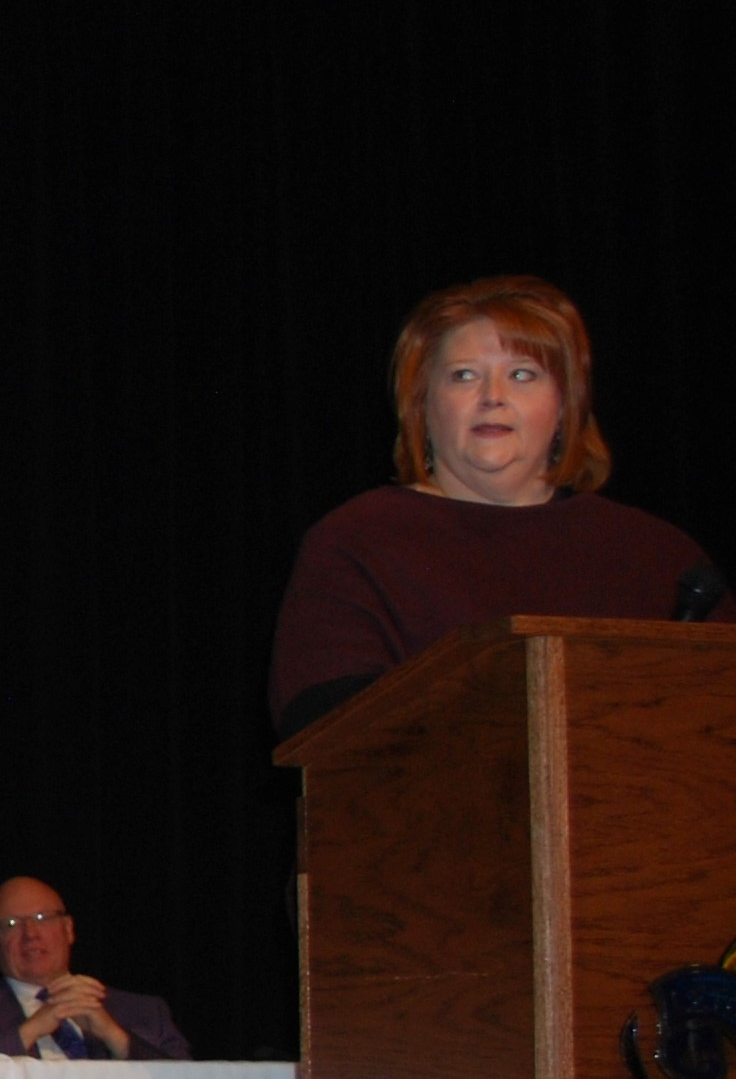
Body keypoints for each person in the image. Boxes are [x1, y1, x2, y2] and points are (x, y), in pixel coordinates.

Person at [269, 275, 720, 735]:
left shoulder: (657, 554)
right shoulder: (357, 543)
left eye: (523, 374)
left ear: (566, 405)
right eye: (464, 375)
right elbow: (331, 733)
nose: (493, 398)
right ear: (422, 405)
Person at [0, 876, 192, 1060]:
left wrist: (113, 1035)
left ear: (69, 929)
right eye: (11, 924)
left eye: (43, 918)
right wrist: (30, 1031)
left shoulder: (145, 1011)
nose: (31, 934)